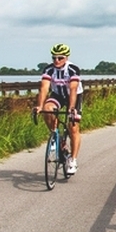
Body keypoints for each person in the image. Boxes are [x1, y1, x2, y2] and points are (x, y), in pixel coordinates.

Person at [35, 42, 83, 173]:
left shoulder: (73, 69)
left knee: (73, 128)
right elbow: (44, 88)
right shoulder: (49, 69)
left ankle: (72, 160)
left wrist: (71, 108)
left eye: (60, 58)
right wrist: (39, 106)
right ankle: (55, 134)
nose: (56, 60)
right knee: (47, 108)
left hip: (73, 96)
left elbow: (73, 89)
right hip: (58, 94)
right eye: (54, 57)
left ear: (66, 57)